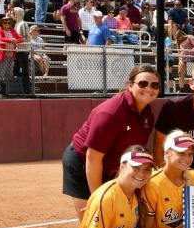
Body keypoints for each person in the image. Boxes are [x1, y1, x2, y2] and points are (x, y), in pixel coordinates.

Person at [62, 65, 159, 218]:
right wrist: (98, 198)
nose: (149, 88)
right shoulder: (110, 113)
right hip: (83, 163)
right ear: (130, 85)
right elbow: (92, 157)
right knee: (94, 220)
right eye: (142, 83)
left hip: (111, 165)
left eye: (155, 85)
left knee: (118, 217)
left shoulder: (148, 114)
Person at [0, 16, 23, 94]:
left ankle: (7, 90)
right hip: (2, 54)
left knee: (9, 73)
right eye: (5, 22)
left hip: (11, 55)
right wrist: (11, 40)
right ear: (2, 23)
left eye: (9, 23)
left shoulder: (13, 30)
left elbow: (21, 39)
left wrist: (16, 40)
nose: (7, 24)